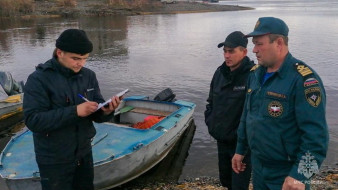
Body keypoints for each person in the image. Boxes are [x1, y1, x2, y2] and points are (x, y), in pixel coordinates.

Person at [232, 17, 329, 190]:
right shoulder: (255, 74)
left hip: (287, 174)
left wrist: (301, 175)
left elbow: (316, 137)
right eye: (253, 44)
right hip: (259, 168)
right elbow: (247, 115)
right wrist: (240, 149)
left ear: (279, 42)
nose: (254, 50)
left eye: (259, 44)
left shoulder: (304, 81)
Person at [23, 29, 121, 190]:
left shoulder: (88, 76)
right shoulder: (38, 79)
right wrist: (75, 111)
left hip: (84, 153)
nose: (81, 64)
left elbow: (97, 113)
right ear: (60, 52)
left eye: (85, 59)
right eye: (76, 58)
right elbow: (33, 120)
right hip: (54, 158)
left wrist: (107, 111)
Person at [205, 31, 254, 189]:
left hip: (241, 145)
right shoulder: (220, 73)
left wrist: (243, 144)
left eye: (231, 51)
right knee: (225, 181)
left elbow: (254, 115)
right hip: (221, 140)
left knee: (239, 185)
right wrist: (211, 123)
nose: (227, 55)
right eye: (225, 51)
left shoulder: (253, 76)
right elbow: (210, 102)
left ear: (244, 52)